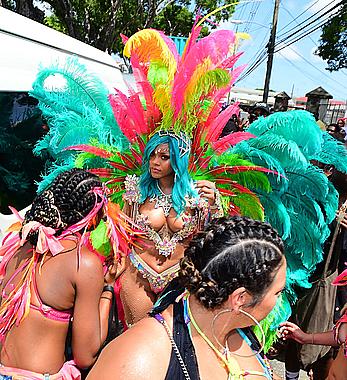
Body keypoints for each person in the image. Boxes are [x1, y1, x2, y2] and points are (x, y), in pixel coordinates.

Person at [87, 216, 287, 380]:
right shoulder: (140, 358)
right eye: (277, 293)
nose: (279, 301)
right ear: (240, 298)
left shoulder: (239, 329)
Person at [0, 168, 117, 379]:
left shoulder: (23, 243)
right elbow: (86, 355)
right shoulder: (83, 264)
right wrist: (108, 289)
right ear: (92, 215)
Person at [119, 131, 222, 325]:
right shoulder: (136, 191)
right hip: (137, 274)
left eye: (164, 157)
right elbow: (123, 234)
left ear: (178, 160)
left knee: (173, 341)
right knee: (138, 334)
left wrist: (215, 204)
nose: (155, 162)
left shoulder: (198, 195)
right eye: (152, 155)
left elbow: (214, 237)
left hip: (179, 278)